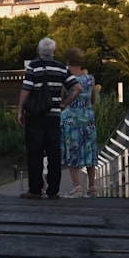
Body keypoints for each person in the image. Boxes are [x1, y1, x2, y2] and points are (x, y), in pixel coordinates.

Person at [17, 38, 81, 199]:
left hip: (35, 115)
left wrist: (20, 109)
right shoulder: (61, 68)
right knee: (54, 153)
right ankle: (53, 190)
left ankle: (35, 189)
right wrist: (64, 103)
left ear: (39, 51)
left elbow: (26, 89)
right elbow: (77, 88)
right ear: (54, 51)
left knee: (35, 153)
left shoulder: (33, 66)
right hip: (54, 116)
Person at [60, 47, 99, 198]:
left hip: (71, 119)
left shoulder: (67, 79)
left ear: (68, 62)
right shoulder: (90, 78)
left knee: (73, 150)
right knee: (90, 149)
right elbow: (93, 99)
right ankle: (92, 186)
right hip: (88, 118)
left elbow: (62, 98)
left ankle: (77, 187)